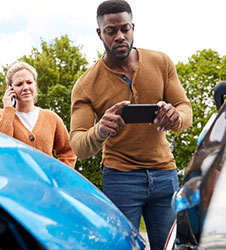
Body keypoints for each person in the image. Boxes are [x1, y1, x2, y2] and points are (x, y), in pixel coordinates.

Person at [70, 0, 192, 249]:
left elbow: (185, 110)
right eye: (111, 31)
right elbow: (79, 145)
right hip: (120, 178)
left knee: (169, 246)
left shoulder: (161, 62)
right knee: (122, 246)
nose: (120, 36)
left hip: (164, 174)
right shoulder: (85, 84)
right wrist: (100, 129)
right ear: (99, 33)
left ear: (133, 27)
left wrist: (174, 116)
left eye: (125, 29)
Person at [0, 60, 76, 168]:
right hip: (12, 183)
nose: (25, 87)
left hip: (45, 184)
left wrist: (58, 176)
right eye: (19, 84)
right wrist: (8, 110)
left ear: (35, 84)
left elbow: (68, 152)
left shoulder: (52, 118)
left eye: (29, 82)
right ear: (11, 88)